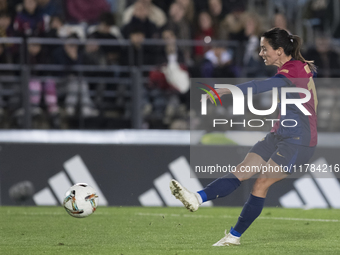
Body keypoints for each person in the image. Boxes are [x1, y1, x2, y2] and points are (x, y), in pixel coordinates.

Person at [170, 27, 318, 246]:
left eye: (264, 48)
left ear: (278, 50)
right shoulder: (295, 67)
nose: (261, 53)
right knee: (240, 171)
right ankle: (197, 198)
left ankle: (234, 237)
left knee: (260, 184)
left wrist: (228, 89)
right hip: (279, 134)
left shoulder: (294, 69)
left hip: (299, 140)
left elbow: (263, 86)